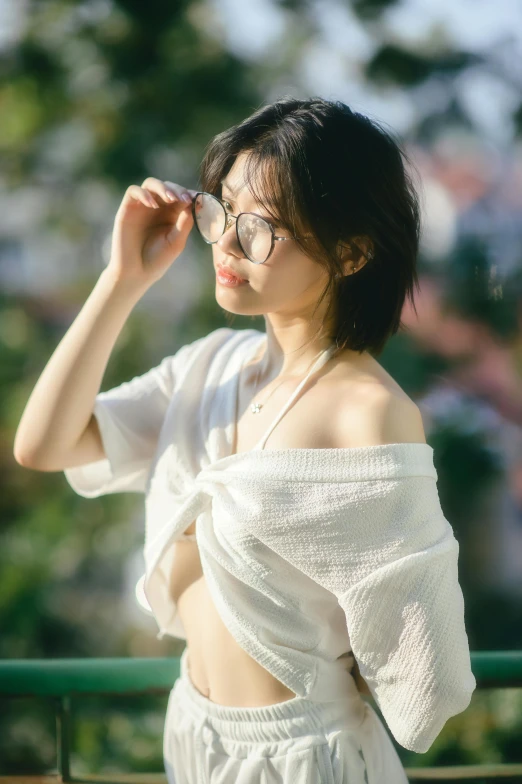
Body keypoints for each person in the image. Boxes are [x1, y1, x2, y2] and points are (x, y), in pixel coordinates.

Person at [14, 97, 476, 784]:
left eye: (260, 227)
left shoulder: (369, 412)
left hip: (303, 757)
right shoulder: (212, 367)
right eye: (221, 208)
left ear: (351, 253)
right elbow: (45, 445)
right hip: (192, 734)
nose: (225, 244)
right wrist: (122, 281)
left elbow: (425, 678)